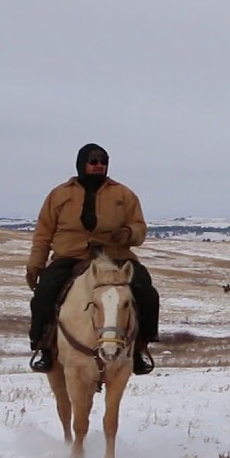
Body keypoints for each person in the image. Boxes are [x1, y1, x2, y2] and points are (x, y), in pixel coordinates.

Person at [26, 143, 160, 374]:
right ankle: (44, 347)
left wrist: (127, 233)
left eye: (103, 162)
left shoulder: (124, 194)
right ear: (82, 164)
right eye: (93, 161)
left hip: (114, 256)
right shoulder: (59, 194)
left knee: (146, 292)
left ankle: (139, 348)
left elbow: (140, 227)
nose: (99, 166)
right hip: (70, 255)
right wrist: (36, 264)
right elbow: (43, 233)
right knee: (44, 294)